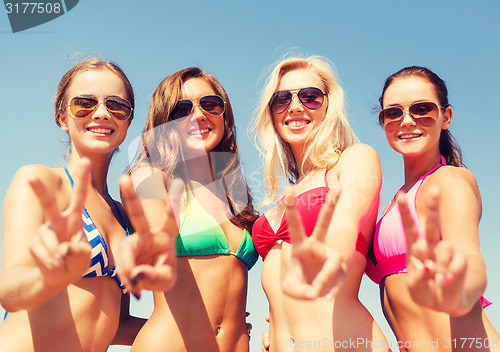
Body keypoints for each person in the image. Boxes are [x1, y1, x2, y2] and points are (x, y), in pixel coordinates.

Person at [0, 58, 148, 351]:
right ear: (62, 117)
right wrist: (48, 278)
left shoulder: (125, 217)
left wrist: (205, 323)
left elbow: (117, 323)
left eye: (116, 105)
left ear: (129, 121)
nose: (103, 113)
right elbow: (10, 288)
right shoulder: (40, 182)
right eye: (85, 103)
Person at [252, 56, 388, 351]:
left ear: (329, 105)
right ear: (272, 113)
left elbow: (345, 224)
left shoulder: (354, 160)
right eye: (281, 99)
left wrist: (333, 251)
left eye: (310, 97)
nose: (296, 106)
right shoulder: (284, 196)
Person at [119, 67, 258, 352]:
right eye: (182, 109)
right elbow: (156, 229)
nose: (198, 115)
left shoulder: (234, 194)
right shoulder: (149, 174)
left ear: (224, 115)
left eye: (210, 104)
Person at [366, 66, 500, 351]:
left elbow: (468, 259)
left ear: (446, 117)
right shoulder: (397, 201)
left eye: (421, 108)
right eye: (393, 112)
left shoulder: (449, 180)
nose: (406, 121)